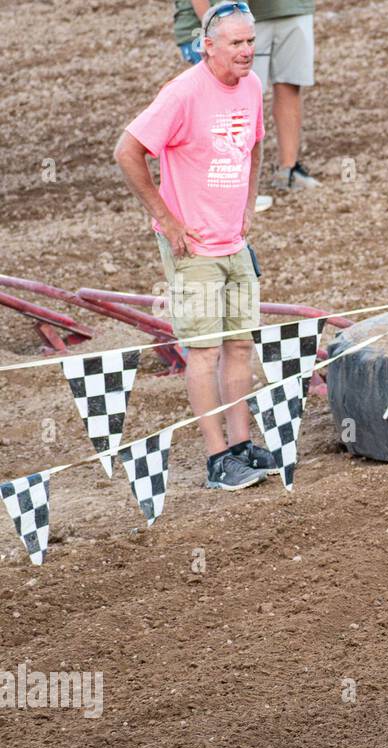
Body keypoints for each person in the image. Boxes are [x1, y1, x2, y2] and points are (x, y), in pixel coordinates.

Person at [115, 2, 278, 491]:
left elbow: (253, 145)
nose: (247, 51)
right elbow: (127, 151)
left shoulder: (251, 87)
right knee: (204, 352)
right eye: (236, 43)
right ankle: (217, 458)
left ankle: (243, 444)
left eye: (250, 41)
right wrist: (167, 218)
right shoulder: (182, 94)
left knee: (240, 345)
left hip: (234, 241)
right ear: (208, 46)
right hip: (194, 250)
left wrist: (248, 204)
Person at [192, 0, 321, 190]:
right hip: (245, 16)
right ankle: (234, 178)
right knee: (239, 96)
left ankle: (289, 170)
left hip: (295, 8)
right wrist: (212, 26)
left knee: (291, 85)